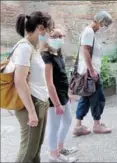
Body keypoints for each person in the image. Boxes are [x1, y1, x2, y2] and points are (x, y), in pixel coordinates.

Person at [3, 11, 53, 162]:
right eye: (49, 29)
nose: (50, 33)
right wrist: (32, 112)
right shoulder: (24, 47)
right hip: (31, 103)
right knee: (27, 152)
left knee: (36, 149)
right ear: (40, 28)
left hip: (41, 100)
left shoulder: (34, 46)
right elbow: (19, 81)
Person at [72, 11, 113, 136]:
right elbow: (86, 51)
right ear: (100, 22)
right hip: (90, 73)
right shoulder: (89, 32)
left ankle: (78, 126)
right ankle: (97, 125)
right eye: (105, 25)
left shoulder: (89, 32)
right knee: (98, 98)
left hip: (87, 72)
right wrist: (92, 71)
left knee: (85, 98)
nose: (105, 28)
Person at [41, 28, 78, 162]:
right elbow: (49, 83)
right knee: (54, 126)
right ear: (50, 38)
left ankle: (59, 148)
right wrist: (56, 103)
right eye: (57, 36)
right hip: (54, 97)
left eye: (62, 36)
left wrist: (68, 93)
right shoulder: (46, 56)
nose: (60, 39)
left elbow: (62, 77)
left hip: (63, 95)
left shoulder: (57, 54)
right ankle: (53, 155)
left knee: (67, 120)